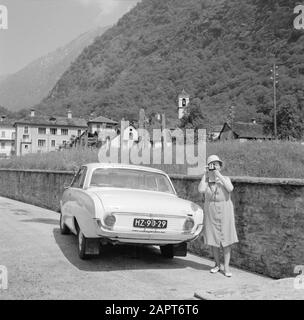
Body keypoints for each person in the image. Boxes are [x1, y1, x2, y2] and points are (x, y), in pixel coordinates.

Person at [198, 155, 238, 277]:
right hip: (211, 210)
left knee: (227, 239)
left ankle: (226, 267)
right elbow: (201, 190)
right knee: (213, 239)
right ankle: (216, 264)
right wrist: (205, 175)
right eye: (211, 164)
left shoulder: (225, 178)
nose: (214, 166)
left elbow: (230, 188)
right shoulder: (206, 180)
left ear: (220, 166)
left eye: (216, 164)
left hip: (225, 210)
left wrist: (218, 175)